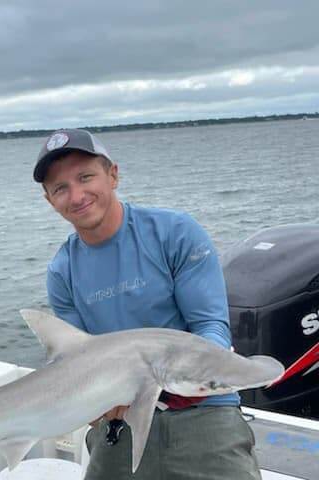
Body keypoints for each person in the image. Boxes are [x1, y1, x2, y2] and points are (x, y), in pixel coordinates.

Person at [33, 129, 261, 479]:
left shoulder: (175, 233)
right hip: (118, 420)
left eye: (85, 177)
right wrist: (94, 405)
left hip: (201, 409)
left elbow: (210, 325)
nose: (76, 196)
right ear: (50, 200)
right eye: (60, 188)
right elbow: (73, 362)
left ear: (113, 174)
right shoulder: (62, 271)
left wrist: (193, 378)